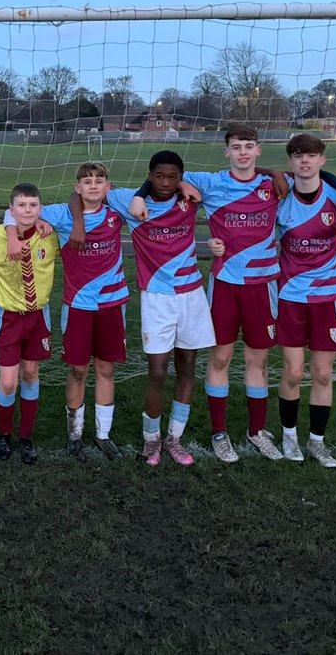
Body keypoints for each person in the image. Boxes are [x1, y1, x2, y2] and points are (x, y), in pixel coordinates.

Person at [130, 125, 336, 463]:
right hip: (223, 285)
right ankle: (219, 434)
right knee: (220, 357)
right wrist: (138, 193)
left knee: (258, 361)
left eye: (249, 147)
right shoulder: (211, 183)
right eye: (236, 147)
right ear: (227, 152)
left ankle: (257, 430)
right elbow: (166, 174)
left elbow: (312, 173)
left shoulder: (274, 184)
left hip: (264, 285)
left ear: (258, 150)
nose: (243, 153)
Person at [11, 162, 128, 460]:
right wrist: (13, 234)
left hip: (112, 304)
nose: (92, 186)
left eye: (99, 181)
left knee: (106, 368)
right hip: (78, 306)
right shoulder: (63, 215)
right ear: (77, 188)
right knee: (77, 370)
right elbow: (15, 213)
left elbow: (146, 198)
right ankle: (74, 436)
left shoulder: (116, 211)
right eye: (86, 181)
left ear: (107, 187)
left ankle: (103, 435)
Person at [106, 151, 215, 467]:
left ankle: (174, 439)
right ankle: (151, 440)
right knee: (157, 371)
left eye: (173, 177)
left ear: (181, 177)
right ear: (149, 174)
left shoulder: (190, 195)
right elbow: (83, 192)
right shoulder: (129, 201)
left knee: (187, 367)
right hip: (156, 297)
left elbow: (239, 174)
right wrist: (140, 194)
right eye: (159, 176)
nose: (166, 182)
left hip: (192, 295)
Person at [275, 134, 336, 468]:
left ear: (322, 160)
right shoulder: (280, 194)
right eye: (298, 155)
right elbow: (248, 172)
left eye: (312, 155)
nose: (305, 161)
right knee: (293, 371)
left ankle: (317, 442)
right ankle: (288, 437)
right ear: (291, 161)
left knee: (323, 374)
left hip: (329, 297)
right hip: (289, 295)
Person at [0, 183, 59, 465]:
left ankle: (26, 438)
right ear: (11, 210)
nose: (28, 210)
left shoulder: (49, 236)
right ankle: (3, 434)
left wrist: (43, 223)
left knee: (32, 373)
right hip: (8, 317)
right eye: (22, 206)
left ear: (41, 209)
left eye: (33, 205)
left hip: (38, 315)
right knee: (9, 381)